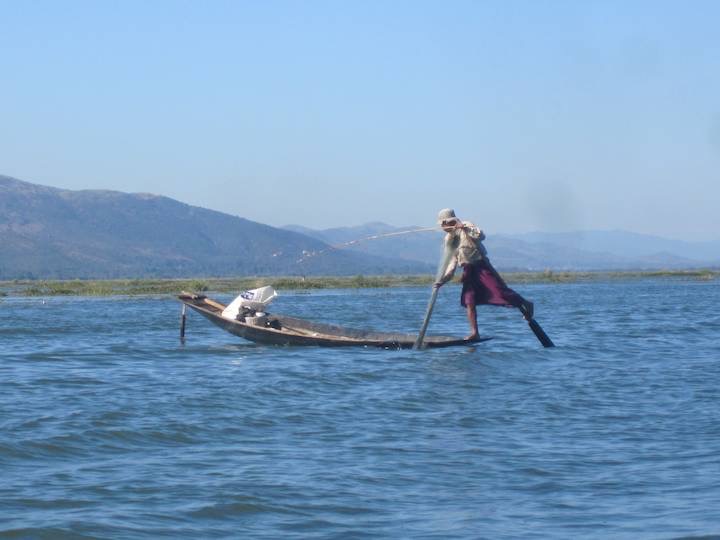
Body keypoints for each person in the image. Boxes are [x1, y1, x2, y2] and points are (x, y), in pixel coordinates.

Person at [433, 208, 534, 341]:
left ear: (449, 222)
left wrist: (465, 228)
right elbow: (451, 264)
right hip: (467, 271)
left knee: (500, 292)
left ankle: (526, 303)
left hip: (481, 266)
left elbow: (481, 236)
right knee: (469, 300)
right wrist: (442, 280)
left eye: (443, 224)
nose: (442, 227)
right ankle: (475, 332)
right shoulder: (449, 239)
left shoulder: (466, 225)